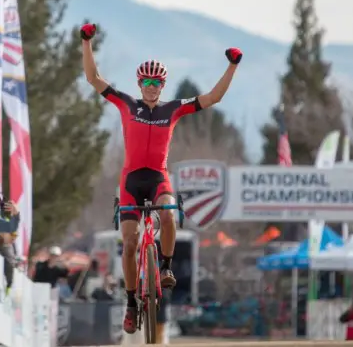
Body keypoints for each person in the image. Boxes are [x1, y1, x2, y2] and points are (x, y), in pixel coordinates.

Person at [80, 23, 243, 333]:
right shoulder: (127, 103)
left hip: (157, 178)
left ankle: (165, 267)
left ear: (163, 85)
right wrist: (87, 42)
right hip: (130, 181)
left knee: (169, 216)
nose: (152, 86)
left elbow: (213, 98)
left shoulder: (173, 108)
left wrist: (232, 65)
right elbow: (93, 78)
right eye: (147, 81)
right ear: (140, 83)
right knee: (129, 244)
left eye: (157, 82)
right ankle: (130, 302)